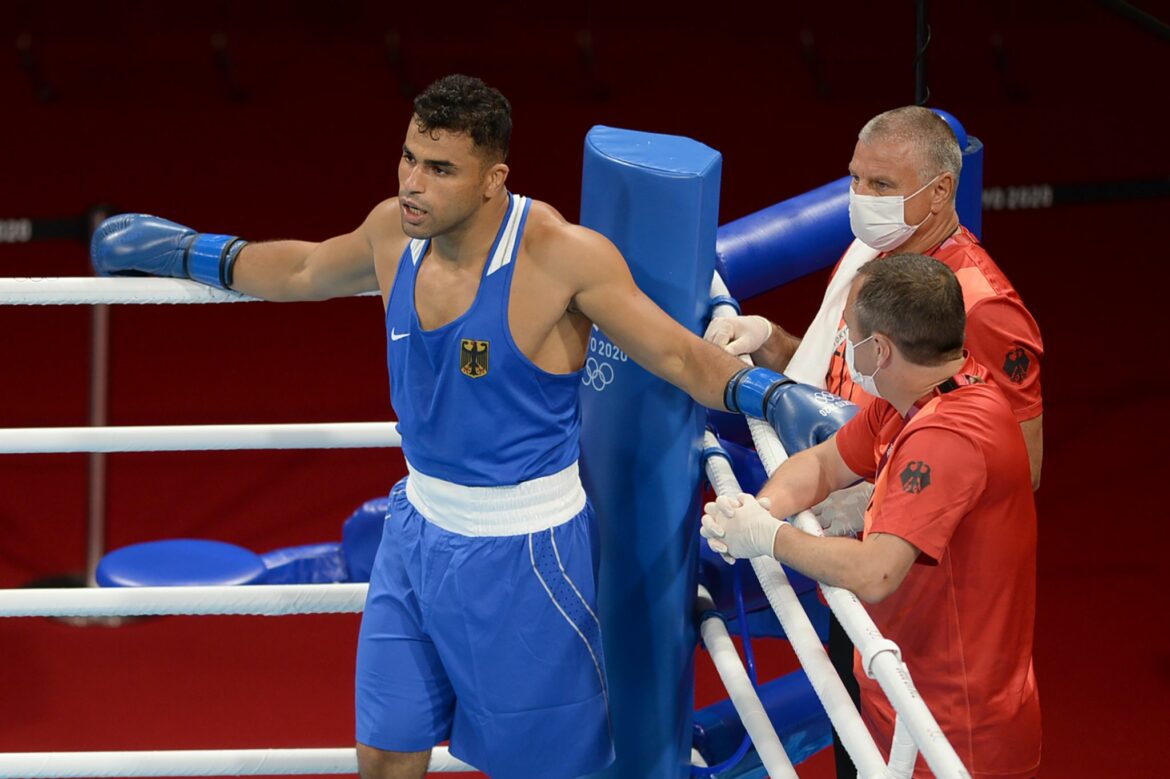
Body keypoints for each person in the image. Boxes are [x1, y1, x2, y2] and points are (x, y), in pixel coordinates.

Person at [90, 74, 755, 779]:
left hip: (526, 553)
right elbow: (308, 267)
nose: (414, 182)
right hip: (416, 536)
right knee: (383, 753)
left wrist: (767, 396)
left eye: (440, 169)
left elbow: (679, 353)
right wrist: (191, 250)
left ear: (493, 179)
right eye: (409, 157)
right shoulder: (392, 233)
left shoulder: (560, 255)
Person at [706, 105, 1044, 778]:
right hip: (879, 609)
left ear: (940, 191)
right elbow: (844, 401)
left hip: (935, 635)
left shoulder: (978, 313)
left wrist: (778, 533)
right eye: (855, 178)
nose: (859, 198)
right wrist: (771, 344)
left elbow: (1015, 465)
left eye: (881, 184)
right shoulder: (878, 275)